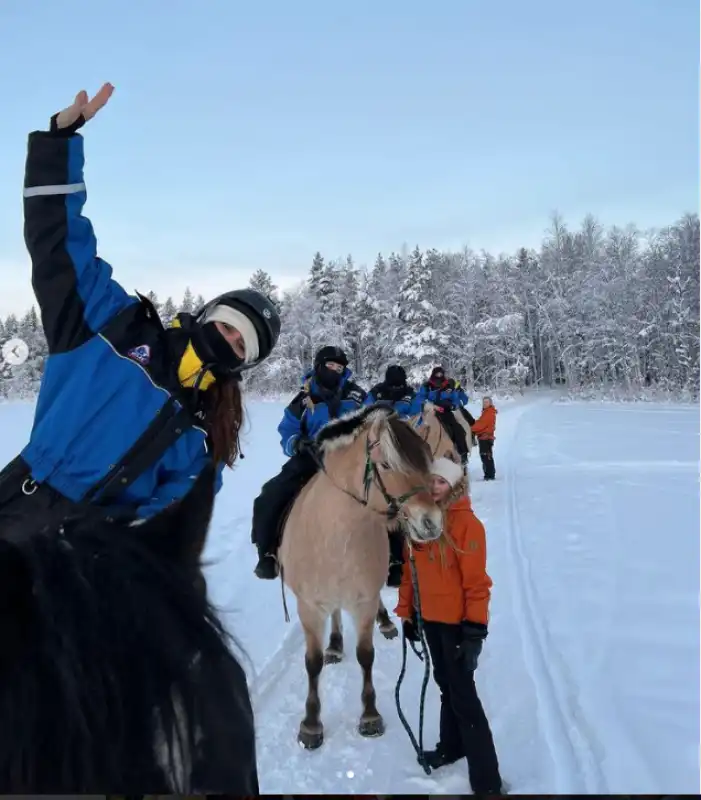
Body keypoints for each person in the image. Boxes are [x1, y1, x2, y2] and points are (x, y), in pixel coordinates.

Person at [0, 84, 280, 538]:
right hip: (21, 508)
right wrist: (60, 143)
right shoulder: (115, 326)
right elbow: (60, 247)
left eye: (241, 345)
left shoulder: (208, 428)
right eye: (230, 326)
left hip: (92, 557)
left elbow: (177, 509)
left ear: (244, 363)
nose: (229, 341)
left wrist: (124, 539)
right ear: (208, 314)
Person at [395, 457, 503, 796]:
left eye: (441, 482)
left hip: (457, 624)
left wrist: (475, 629)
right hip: (431, 619)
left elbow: (477, 583)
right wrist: (409, 613)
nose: (434, 488)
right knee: (445, 685)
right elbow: (409, 573)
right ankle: (451, 746)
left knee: (464, 695)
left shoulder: (468, 526)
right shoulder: (421, 520)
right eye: (431, 482)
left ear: (454, 485)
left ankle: (487, 781)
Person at [251, 345, 367, 579]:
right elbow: (287, 429)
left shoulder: (357, 396)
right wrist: (297, 443)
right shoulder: (303, 398)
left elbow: (371, 423)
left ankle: (394, 557)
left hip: (349, 459)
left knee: (388, 492)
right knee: (269, 495)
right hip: (311, 457)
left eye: (339, 367)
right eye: (330, 365)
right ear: (319, 367)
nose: (335, 370)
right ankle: (268, 553)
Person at [416, 366, 471, 466]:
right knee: (420, 429)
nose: (439, 376)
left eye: (441, 374)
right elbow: (420, 398)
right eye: (437, 374)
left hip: (446, 412)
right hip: (431, 411)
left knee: (457, 428)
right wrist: (431, 405)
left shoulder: (448, 385)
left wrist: (454, 405)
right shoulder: (426, 386)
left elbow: (455, 399)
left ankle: (463, 453)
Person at [470, 396, 497, 480]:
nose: (485, 404)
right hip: (483, 437)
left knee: (486, 456)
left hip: (486, 437)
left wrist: (471, 428)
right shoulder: (486, 412)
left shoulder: (489, 412)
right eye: (484, 402)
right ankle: (488, 474)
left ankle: (490, 475)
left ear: (490, 403)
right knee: (485, 456)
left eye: (487, 402)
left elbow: (482, 424)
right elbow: (481, 422)